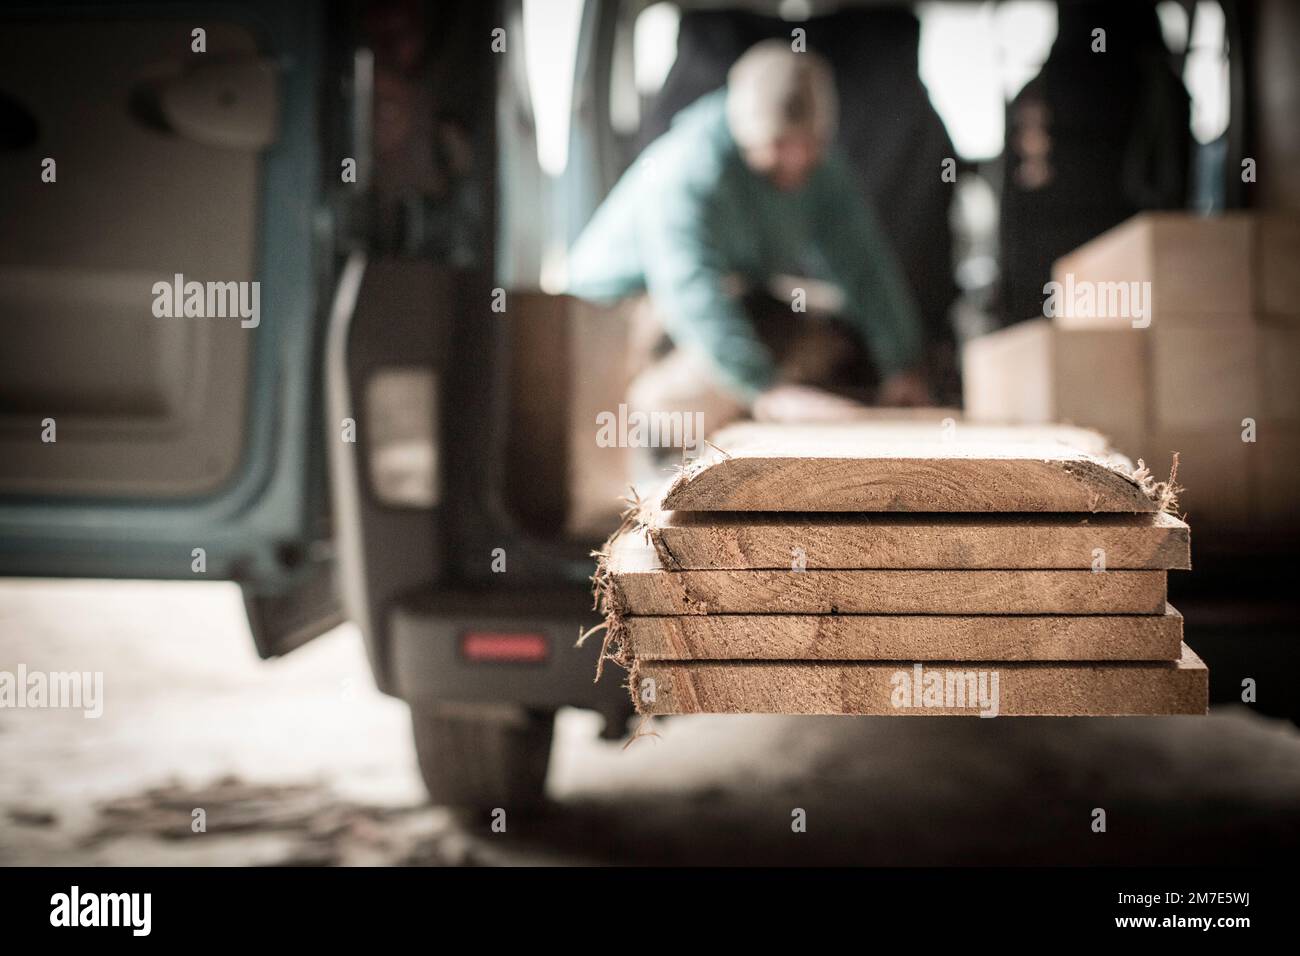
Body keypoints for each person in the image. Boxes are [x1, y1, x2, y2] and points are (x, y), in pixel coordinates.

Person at [567, 40, 930, 434]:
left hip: (722, 293)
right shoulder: (690, 167)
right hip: (617, 314)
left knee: (819, 327)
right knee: (700, 388)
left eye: (808, 145)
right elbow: (688, 285)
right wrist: (767, 390)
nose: (795, 160)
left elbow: (864, 265)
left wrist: (902, 364)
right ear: (746, 133)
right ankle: (644, 427)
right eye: (779, 145)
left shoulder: (821, 174)